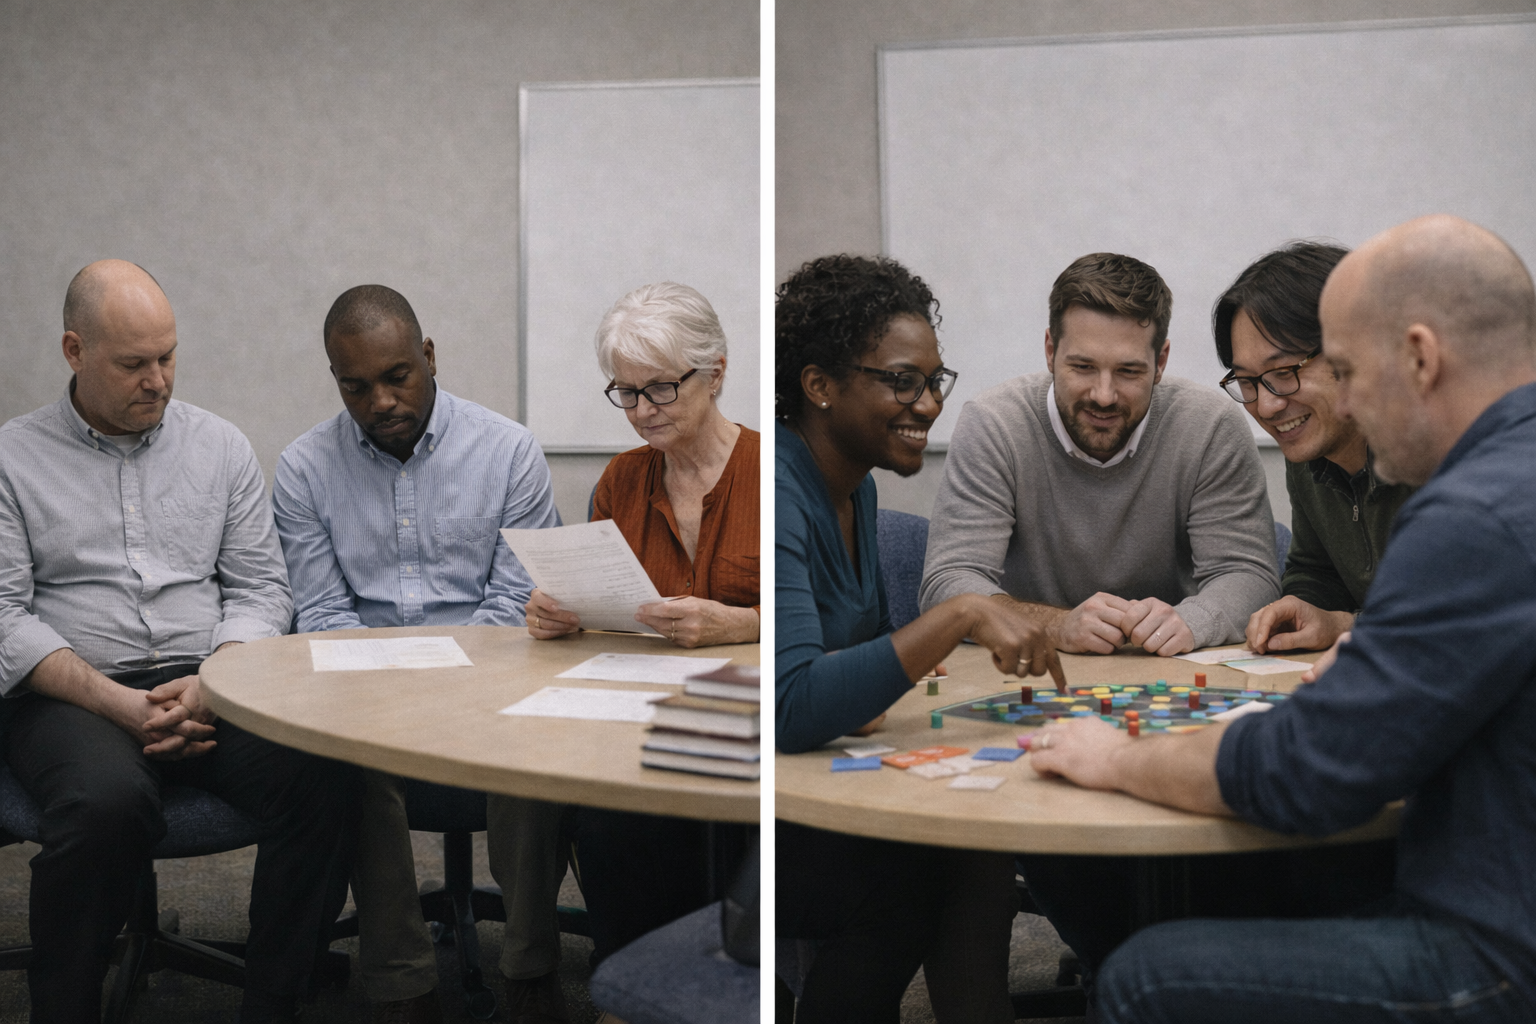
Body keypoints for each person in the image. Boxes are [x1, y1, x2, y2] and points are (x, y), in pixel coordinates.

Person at [1029, 214, 1536, 1023]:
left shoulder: (1473, 513)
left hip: (1502, 948)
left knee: (1147, 976)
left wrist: (1118, 757)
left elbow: (1309, 772)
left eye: (1347, 370)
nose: (1348, 402)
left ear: (1419, 357)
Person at [0, 260, 358, 1024]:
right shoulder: (13, 458)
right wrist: (121, 706)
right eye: (134, 364)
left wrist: (215, 681)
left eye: (167, 357)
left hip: (211, 679)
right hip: (75, 693)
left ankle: (274, 1001)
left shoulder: (219, 447)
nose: (158, 380)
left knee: (326, 774)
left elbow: (261, 590)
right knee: (105, 804)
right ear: (74, 351)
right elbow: (4, 617)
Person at [776, 254, 1063, 1024]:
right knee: (917, 877)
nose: (929, 404)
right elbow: (793, 707)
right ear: (819, 385)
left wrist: (858, 683)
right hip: (746, 813)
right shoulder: (778, 489)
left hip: (818, 780)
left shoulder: (855, 487)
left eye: (936, 381)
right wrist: (962, 612)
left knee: (973, 845)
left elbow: (858, 672)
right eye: (903, 381)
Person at [272, 285, 567, 1024]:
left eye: (396, 376)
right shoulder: (304, 468)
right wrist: (391, 699)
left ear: (429, 356)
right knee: (350, 758)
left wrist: (445, 691)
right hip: (366, 692)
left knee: (533, 742)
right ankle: (402, 983)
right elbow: (322, 615)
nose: (380, 402)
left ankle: (531, 965)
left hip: (491, 678)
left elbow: (514, 604)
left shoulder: (509, 451)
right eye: (355, 387)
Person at [524, 282, 758, 970]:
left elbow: (836, 620)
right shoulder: (622, 481)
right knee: (603, 813)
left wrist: (743, 623)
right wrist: (558, 614)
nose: (642, 411)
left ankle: (733, 977)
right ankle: (629, 980)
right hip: (638, 716)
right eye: (625, 393)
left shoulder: (776, 472)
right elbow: (603, 612)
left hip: (753, 714)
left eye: (660, 388)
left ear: (716, 373)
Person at [919, 252, 1280, 657]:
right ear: (1050, 351)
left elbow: (1249, 575)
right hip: (1029, 670)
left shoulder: (1209, 427)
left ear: (1160, 362)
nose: (1104, 396)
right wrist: (1054, 625)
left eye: (1128, 371)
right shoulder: (994, 424)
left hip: (1167, 670)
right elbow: (948, 583)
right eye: (1083, 367)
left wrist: (1191, 620)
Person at [1212, 242, 1415, 654]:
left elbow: (1462, 611)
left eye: (1284, 372)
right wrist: (1299, 607)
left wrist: (1344, 626)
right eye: (1247, 382)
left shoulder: (1432, 447)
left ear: (1351, 351)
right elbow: (1316, 570)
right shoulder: (1309, 449)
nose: (1266, 406)